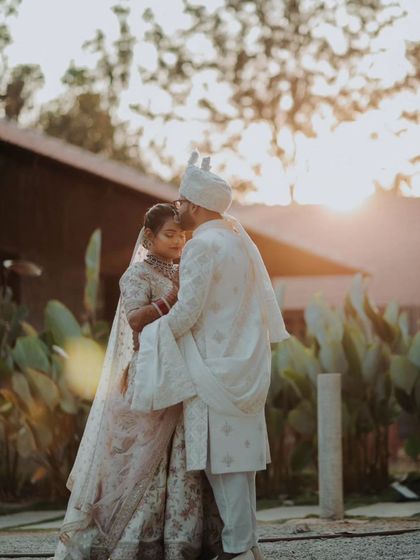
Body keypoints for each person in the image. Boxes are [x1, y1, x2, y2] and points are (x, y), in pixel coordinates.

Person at [130, 152, 290, 560]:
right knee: (240, 463)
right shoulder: (237, 241)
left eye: (182, 202)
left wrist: (150, 334)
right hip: (245, 363)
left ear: (197, 206)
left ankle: (238, 549)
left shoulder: (201, 245)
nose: (178, 208)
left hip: (212, 367)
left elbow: (187, 311)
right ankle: (246, 546)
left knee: (223, 463)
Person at [53, 202, 222, 560]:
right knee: (146, 461)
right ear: (149, 236)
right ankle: (137, 541)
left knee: (181, 459)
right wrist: (173, 297)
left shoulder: (185, 270)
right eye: (170, 234)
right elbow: (135, 319)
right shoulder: (138, 275)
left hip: (185, 376)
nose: (178, 241)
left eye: (182, 234)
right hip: (152, 376)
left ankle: (181, 540)